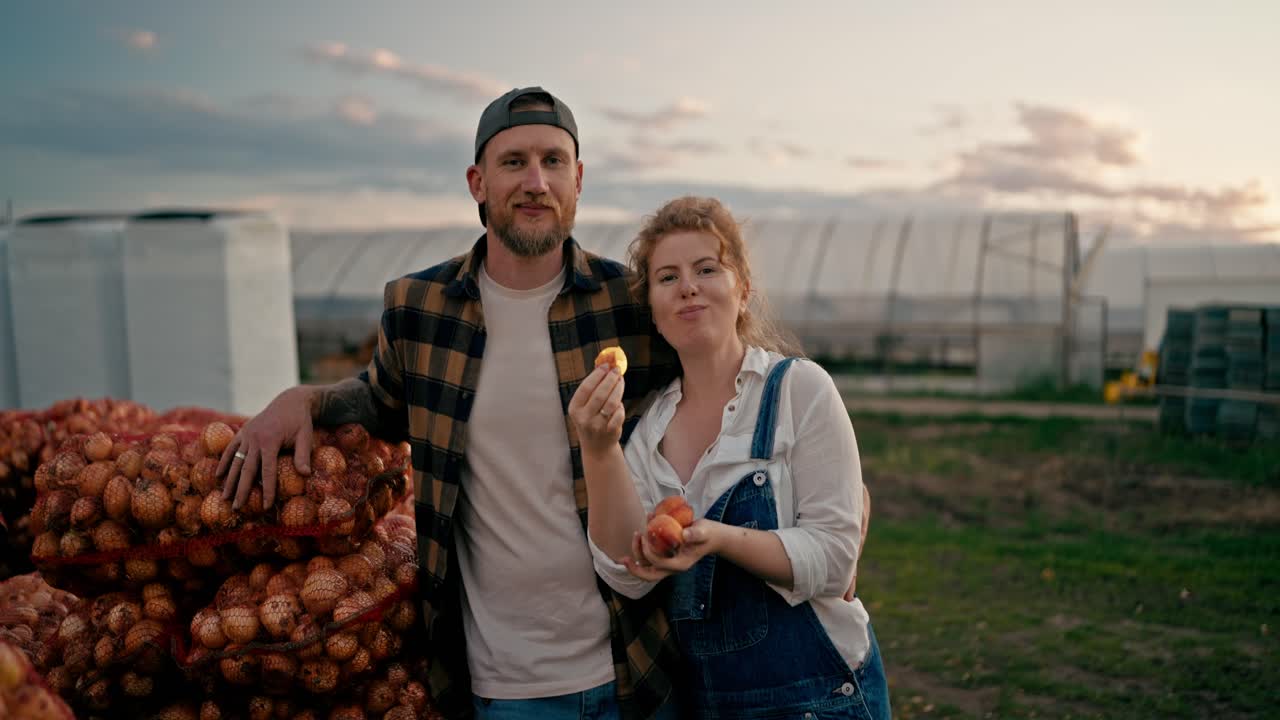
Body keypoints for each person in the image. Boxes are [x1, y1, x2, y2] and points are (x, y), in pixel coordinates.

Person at [217, 87, 870, 720]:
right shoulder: (419, 310)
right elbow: (383, 404)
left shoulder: (629, 303)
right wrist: (304, 397)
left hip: (638, 669)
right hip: (502, 680)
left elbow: (728, 382)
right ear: (478, 182)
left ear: (578, 179)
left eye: (553, 161)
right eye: (514, 162)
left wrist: (845, 512)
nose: (536, 181)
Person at [568, 196, 891, 719]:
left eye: (706, 268)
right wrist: (599, 447)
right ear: (652, 307)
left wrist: (716, 539)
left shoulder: (798, 391)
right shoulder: (648, 432)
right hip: (712, 707)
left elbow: (835, 560)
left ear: (742, 290)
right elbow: (625, 572)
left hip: (822, 702)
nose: (688, 286)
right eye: (667, 277)